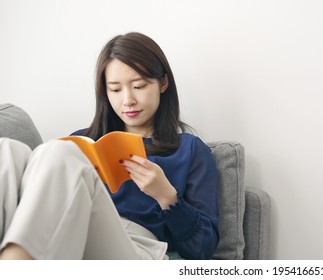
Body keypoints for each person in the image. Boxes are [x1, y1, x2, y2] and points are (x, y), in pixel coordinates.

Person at [0, 32, 220, 260]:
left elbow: (203, 249)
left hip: (137, 249)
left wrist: (167, 197)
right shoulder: (81, 142)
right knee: (7, 151)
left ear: (163, 83)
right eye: (115, 89)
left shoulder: (189, 150)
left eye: (139, 86)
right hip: (73, 237)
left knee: (61, 154)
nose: (127, 100)